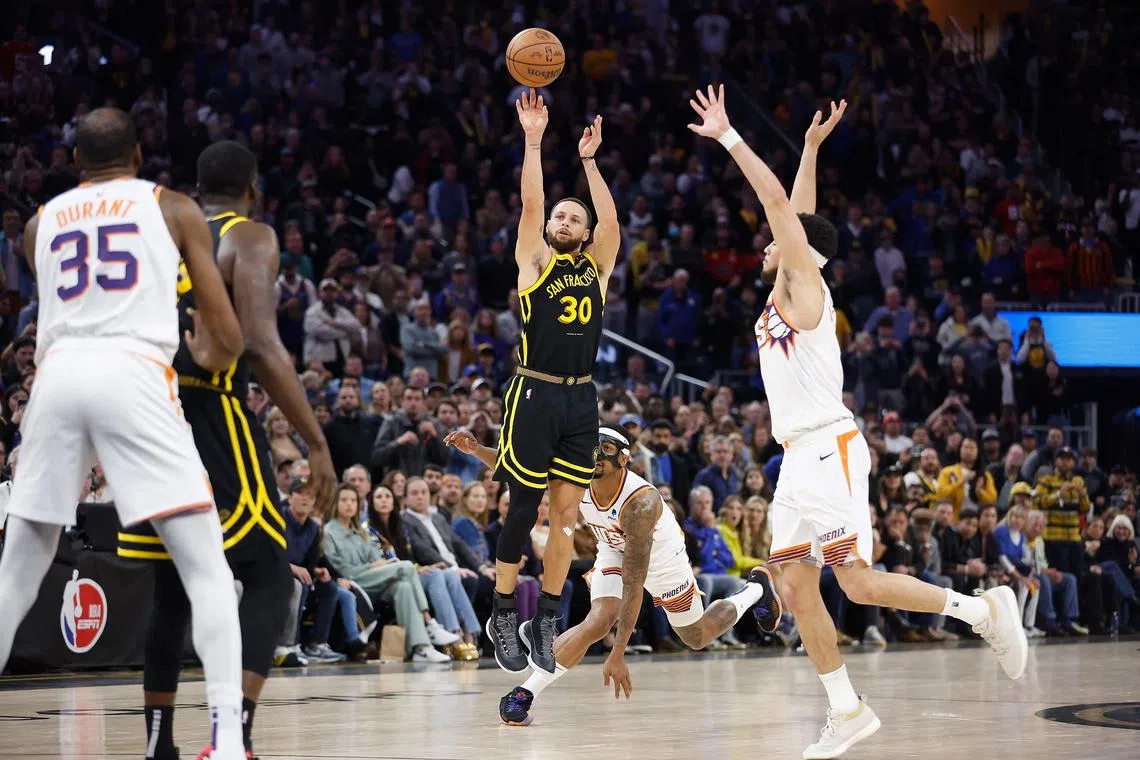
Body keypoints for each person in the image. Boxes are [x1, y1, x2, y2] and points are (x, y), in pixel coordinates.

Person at [686, 87, 1027, 758]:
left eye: (779, 239)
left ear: (798, 251)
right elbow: (800, 212)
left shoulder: (804, 287)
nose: (768, 242)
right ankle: (846, 708)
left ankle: (982, 611)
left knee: (858, 581)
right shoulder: (790, 285)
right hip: (797, 458)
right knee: (793, 583)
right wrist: (810, 149)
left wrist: (728, 136)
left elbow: (781, 209)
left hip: (826, 449)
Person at [0, 109, 250, 760]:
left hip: (56, 377)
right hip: (133, 372)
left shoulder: (39, 223)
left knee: (15, 574)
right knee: (207, 571)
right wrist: (210, 349)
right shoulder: (173, 207)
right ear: (139, 154)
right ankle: (227, 742)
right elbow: (227, 336)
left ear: (75, 161)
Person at [115, 140, 337, 760]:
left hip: (149, 412)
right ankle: (232, 735)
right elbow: (261, 346)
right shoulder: (248, 235)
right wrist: (316, 441)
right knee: (269, 573)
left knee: (171, 585)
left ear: (196, 189)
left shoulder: (160, 233)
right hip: (212, 410)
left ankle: (158, 744)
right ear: (252, 190)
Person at [445, 426, 780, 726]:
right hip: (612, 548)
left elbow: (634, 584)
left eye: (605, 449)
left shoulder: (641, 503)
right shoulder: (577, 474)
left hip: (662, 560)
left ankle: (754, 590)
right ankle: (523, 695)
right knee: (599, 619)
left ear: (623, 459)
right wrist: (476, 449)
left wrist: (618, 652)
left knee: (696, 636)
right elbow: (522, 470)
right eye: (593, 448)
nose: (596, 455)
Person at [486, 90, 621, 677]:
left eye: (574, 219)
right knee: (523, 509)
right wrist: (534, 141)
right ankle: (500, 612)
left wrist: (590, 162)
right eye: (559, 217)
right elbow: (531, 201)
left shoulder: (597, 267)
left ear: (586, 234)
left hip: (580, 397)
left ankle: (545, 617)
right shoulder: (535, 263)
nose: (564, 221)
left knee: (567, 518)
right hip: (534, 391)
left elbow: (612, 221)